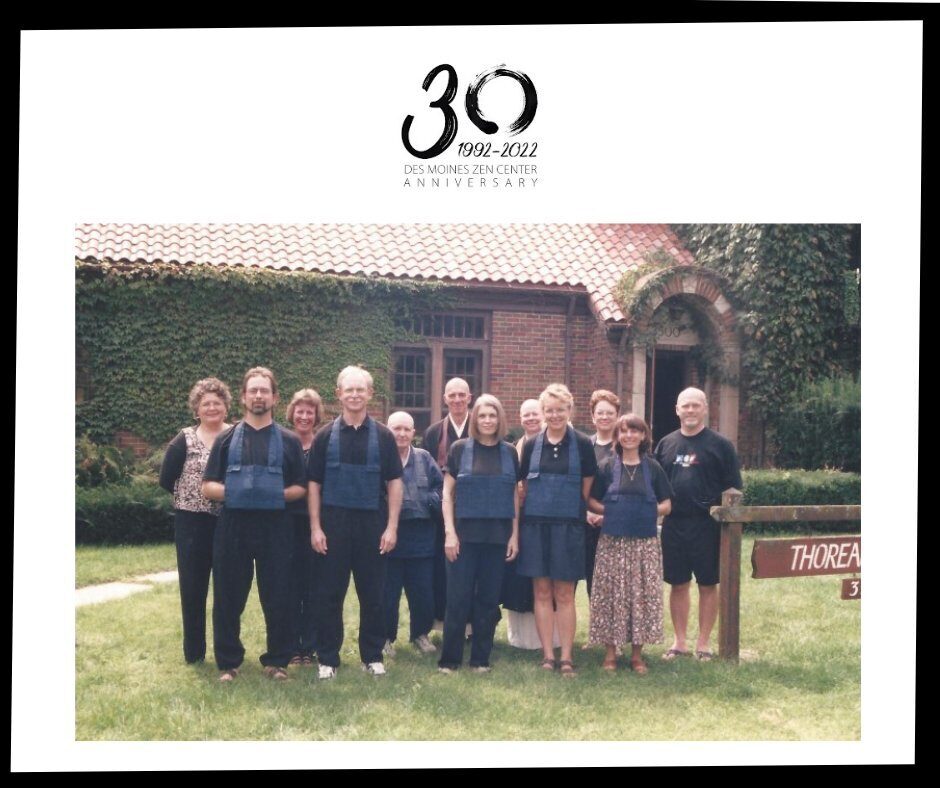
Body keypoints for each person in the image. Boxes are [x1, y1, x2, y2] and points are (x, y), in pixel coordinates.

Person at [202, 367, 307, 682]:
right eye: (253, 390)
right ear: (244, 397)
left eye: (264, 390)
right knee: (228, 595)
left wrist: (271, 494)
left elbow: (300, 487)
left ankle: (277, 661)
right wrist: (242, 492)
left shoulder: (289, 441)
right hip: (233, 525)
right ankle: (228, 662)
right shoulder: (226, 439)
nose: (259, 395)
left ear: (275, 397)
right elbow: (208, 486)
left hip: (276, 527)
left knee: (279, 594)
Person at [307, 366, 403, 678]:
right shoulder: (324, 436)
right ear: (339, 394)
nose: (355, 395)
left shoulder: (385, 437)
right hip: (333, 527)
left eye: (360, 389)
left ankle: (372, 656)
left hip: (372, 526)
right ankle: (327, 659)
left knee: (373, 594)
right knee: (329, 594)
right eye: (349, 389)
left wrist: (391, 527)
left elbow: (395, 483)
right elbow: (314, 485)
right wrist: (315, 527)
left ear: (370, 394)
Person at [654, 387, 742, 662]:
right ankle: (679, 642)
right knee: (678, 584)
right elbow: (656, 486)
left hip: (708, 525)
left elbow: (734, 488)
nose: (690, 410)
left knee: (707, 583)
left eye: (695, 405)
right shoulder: (665, 444)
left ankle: (703, 644)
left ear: (705, 408)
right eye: (685, 405)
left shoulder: (721, 445)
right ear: (677, 410)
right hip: (674, 525)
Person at [518, 383, 598, 677]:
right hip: (536, 525)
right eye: (549, 410)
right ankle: (547, 655)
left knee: (564, 593)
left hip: (568, 526)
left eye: (560, 410)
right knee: (541, 591)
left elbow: (586, 487)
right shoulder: (531, 445)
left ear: (569, 410)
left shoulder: (583, 444)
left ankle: (566, 656)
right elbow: (524, 485)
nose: (554, 415)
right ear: (542, 412)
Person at [438, 394, 520, 673]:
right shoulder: (460, 449)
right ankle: (450, 660)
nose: (487, 420)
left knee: (488, 600)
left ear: (499, 419)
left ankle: (480, 659)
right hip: (463, 538)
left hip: (497, 538)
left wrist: (514, 536)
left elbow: (514, 496)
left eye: (492, 415)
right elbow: (447, 494)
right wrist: (450, 533)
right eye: (482, 415)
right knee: (457, 599)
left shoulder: (509, 452)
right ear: (475, 419)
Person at [588, 413, 673, 674]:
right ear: (617, 435)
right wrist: (613, 512)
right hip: (612, 543)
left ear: (643, 435)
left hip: (643, 544)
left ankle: (637, 655)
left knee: (640, 596)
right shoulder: (606, 466)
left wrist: (645, 512)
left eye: (634, 431)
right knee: (611, 596)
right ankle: (610, 653)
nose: (629, 436)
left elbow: (667, 504)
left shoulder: (653, 468)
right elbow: (591, 500)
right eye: (623, 431)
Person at [159, 377, 233, 664]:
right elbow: (166, 479)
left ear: (226, 406)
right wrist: (192, 498)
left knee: (227, 590)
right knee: (193, 589)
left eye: (217, 403)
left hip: (228, 522)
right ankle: (194, 654)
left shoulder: (236, 436)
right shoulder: (184, 439)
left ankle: (226, 653)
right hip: (191, 524)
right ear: (197, 410)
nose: (212, 408)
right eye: (206, 404)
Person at [382, 411, 444, 656]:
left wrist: (424, 499)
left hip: (421, 536)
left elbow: (441, 488)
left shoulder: (424, 458)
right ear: (388, 431)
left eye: (406, 429)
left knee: (422, 591)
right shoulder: (380, 458)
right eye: (396, 428)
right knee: (387, 593)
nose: (401, 433)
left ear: (414, 433)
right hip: (389, 537)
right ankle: (385, 637)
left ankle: (421, 634)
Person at [501, 398, 557, 650]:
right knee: (519, 577)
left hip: (546, 518)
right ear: (520, 418)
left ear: (543, 415)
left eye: (535, 414)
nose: (531, 418)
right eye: (526, 415)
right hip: (520, 518)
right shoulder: (515, 448)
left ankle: (550, 634)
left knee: (546, 576)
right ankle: (522, 636)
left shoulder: (553, 445)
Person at [423, 377, 472, 630]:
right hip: (443, 511)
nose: (457, 399)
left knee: (473, 567)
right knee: (443, 567)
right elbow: (427, 474)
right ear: (445, 399)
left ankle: (472, 625)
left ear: (469, 397)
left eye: (461, 395)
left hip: (475, 511)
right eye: (452, 395)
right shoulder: (433, 433)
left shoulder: (482, 427)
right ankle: (443, 622)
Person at [285, 388, 324, 667]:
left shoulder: (322, 444)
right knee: (287, 586)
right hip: (285, 523)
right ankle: (289, 647)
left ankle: (309, 647)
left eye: (310, 412)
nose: (304, 416)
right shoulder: (282, 442)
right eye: (300, 411)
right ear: (292, 413)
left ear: (316, 415)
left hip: (316, 524)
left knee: (313, 586)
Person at [585, 390, 621, 598]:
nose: (604, 417)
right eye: (600, 413)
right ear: (593, 416)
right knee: (593, 584)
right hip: (586, 526)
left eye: (610, 413)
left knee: (615, 587)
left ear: (617, 416)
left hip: (616, 526)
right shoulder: (584, 445)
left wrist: (608, 515)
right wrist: (585, 512)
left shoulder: (626, 446)